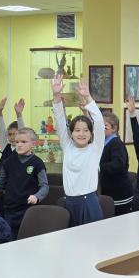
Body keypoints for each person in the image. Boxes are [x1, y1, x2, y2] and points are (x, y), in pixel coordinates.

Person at [0, 127, 48, 237]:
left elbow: (44, 186)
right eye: (17, 142)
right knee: (11, 240)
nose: (19, 145)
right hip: (10, 211)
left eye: (23, 142)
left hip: (29, 211)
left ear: (33, 144)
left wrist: (37, 196)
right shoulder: (8, 162)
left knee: (28, 240)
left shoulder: (38, 163)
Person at [51, 74, 104, 226]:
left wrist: (88, 97)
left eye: (86, 130)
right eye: (77, 130)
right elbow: (60, 120)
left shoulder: (95, 148)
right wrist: (56, 95)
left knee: (92, 240)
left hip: (89, 203)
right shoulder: (67, 146)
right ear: (71, 133)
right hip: (69, 203)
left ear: (91, 134)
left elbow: (99, 122)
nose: (81, 134)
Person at [0, 97, 26, 219]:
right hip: (2, 195)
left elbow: (23, 130)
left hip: (17, 196)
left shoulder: (22, 150)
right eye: (10, 134)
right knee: (1, 220)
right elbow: (1, 129)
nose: (12, 137)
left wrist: (19, 114)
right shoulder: (5, 147)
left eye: (15, 134)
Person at [100, 110, 133, 215]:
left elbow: (118, 165)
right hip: (109, 191)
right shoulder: (104, 142)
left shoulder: (116, 143)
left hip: (120, 193)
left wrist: (99, 167)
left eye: (104, 126)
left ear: (114, 128)